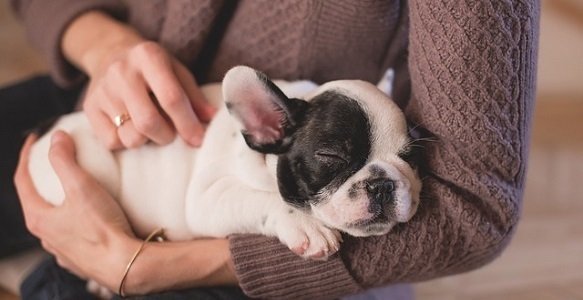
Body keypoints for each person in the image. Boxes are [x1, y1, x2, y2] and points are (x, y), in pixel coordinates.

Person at [2, 0, 539, 299]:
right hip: (107, 114)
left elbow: (476, 207)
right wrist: (102, 44)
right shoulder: (270, 131)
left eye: (406, 157)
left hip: (207, 220)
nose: (381, 181)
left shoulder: (316, 134)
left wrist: (138, 264)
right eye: (336, 164)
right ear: (263, 129)